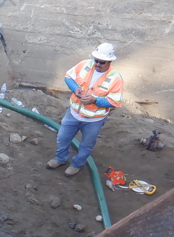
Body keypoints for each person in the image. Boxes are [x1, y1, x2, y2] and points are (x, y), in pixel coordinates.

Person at [47, 43, 125, 177]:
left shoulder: (115, 79)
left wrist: (94, 100)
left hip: (94, 120)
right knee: (62, 138)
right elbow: (69, 77)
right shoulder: (84, 65)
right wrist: (75, 88)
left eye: (102, 62)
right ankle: (61, 159)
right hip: (73, 113)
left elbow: (115, 101)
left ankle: (76, 164)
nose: (98, 64)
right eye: (97, 60)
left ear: (110, 61)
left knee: (86, 145)